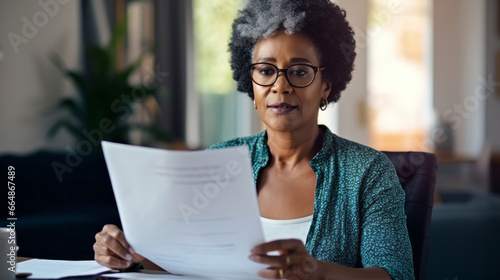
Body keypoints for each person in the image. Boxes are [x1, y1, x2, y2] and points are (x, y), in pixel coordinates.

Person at [93, 0, 415, 279]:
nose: (280, 87)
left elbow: (394, 275)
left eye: (299, 71)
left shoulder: (368, 172)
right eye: (265, 70)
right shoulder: (217, 161)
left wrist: (317, 272)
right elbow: (183, 260)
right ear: (252, 82)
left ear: (326, 86)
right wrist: (128, 255)